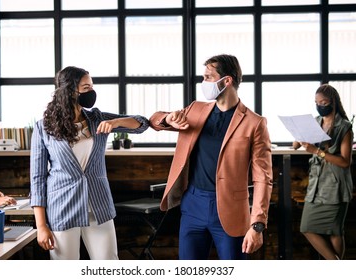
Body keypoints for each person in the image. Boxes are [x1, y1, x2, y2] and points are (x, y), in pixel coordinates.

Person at [149, 54, 273, 260]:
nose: (203, 82)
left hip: (231, 210)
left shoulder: (255, 123)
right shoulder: (196, 110)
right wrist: (168, 118)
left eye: (208, 77)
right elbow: (154, 121)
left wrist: (257, 225)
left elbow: (263, 178)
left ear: (227, 81)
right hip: (192, 205)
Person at [30, 66, 149, 260]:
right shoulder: (44, 127)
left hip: (98, 204)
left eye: (92, 86)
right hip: (62, 207)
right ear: (70, 91)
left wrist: (116, 122)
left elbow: (141, 123)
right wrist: (41, 226)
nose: (92, 92)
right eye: (86, 87)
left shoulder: (97, 118)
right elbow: (37, 179)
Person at [293, 84, 353, 260]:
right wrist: (299, 131)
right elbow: (295, 146)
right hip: (316, 186)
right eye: (316, 102)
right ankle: (337, 267)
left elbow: (345, 162)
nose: (319, 105)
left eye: (323, 102)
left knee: (334, 230)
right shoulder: (316, 122)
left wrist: (317, 151)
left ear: (332, 102)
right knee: (308, 227)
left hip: (335, 186)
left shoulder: (344, 127)